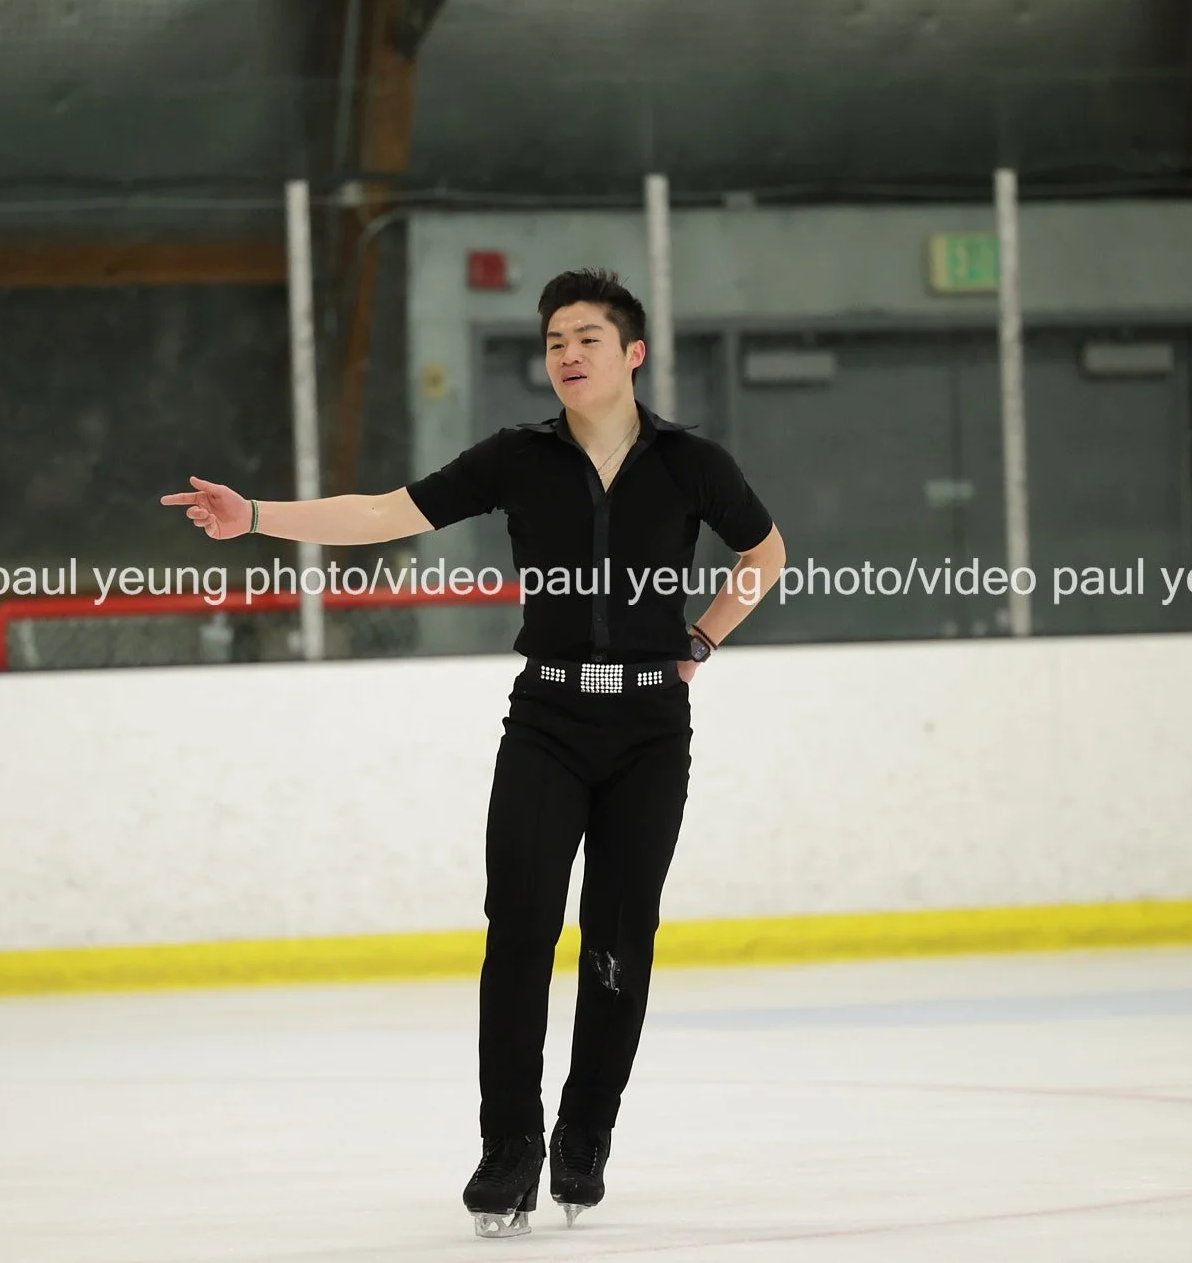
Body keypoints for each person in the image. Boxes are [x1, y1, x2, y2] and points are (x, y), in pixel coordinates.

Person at [162, 268, 786, 1237]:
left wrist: (699, 641)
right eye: (554, 342)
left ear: (632, 353)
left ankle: (585, 1135)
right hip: (546, 722)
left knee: (618, 940)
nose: (567, 354)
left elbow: (765, 554)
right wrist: (258, 516)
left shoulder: (691, 463)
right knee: (519, 929)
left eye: (586, 338)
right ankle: (508, 1147)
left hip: (650, 732)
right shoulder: (516, 458)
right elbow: (385, 512)